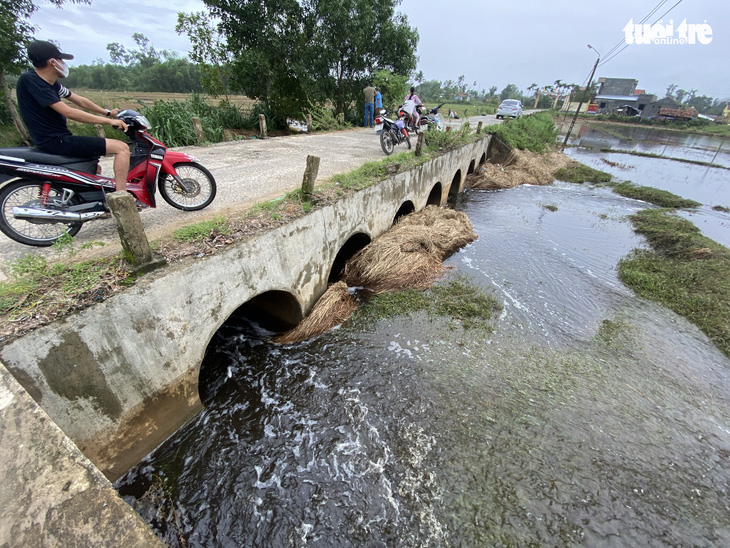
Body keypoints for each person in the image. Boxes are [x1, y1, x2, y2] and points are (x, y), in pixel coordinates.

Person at [16, 41, 131, 191]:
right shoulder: (32, 81)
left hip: (59, 138)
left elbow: (80, 101)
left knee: (94, 169)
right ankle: (122, 197)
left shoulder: (52, 84)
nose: (64, 64)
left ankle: (94, 204)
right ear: (52, 62)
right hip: (55, 140)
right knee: (121, 147)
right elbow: (68, 112)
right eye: (61, 60)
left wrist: (108, 112)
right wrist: (108, 121)